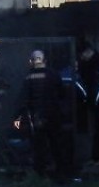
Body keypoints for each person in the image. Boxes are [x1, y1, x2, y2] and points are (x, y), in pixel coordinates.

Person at [13, 50, 66, 178]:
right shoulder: (53, 74)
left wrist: (17, 117)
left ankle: (40, 174)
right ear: (44, 61)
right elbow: (62, 93)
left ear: (31, 61)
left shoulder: (28, 77)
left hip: (37, 117)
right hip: (54, 115)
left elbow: (23, 100)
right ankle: (61, 174)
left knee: (39, 146)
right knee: (56, 144)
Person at [76, 42, 99, 164]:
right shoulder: (90, 66)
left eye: (83, 54)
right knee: (97, 131)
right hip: (97, 102)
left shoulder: (97, 65)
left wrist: (93, 101)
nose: (82, 57)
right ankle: (97, 157)